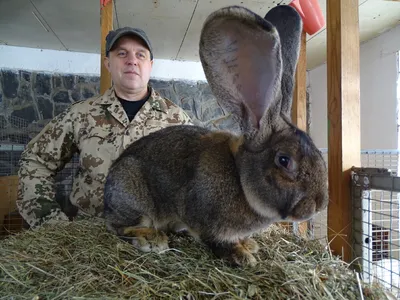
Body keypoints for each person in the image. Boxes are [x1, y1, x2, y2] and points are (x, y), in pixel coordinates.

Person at [16, 27, 193, 229]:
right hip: (91, 238)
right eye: (122, 53)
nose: (132, 60)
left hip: (156, 242)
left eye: (140, 54)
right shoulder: (82, 114)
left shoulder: (177, 120)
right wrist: (49, 221)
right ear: (108, 63)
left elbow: (197, 180)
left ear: (150, 65)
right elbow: (35, 160)